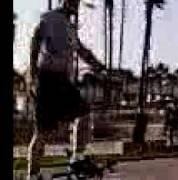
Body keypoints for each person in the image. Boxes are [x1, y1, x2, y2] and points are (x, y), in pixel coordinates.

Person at [29, 0, 105, 176]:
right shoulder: (50, 18)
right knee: (41, 132)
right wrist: (32, 73)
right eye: (73, 3)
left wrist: (98, 65)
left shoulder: (70, 27)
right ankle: (32, 175)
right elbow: (35, 39)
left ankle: (76, 158)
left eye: (77, 4)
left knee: (84, 114)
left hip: (63, 81)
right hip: (46, 79)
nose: (76, 7)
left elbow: (82, 50)